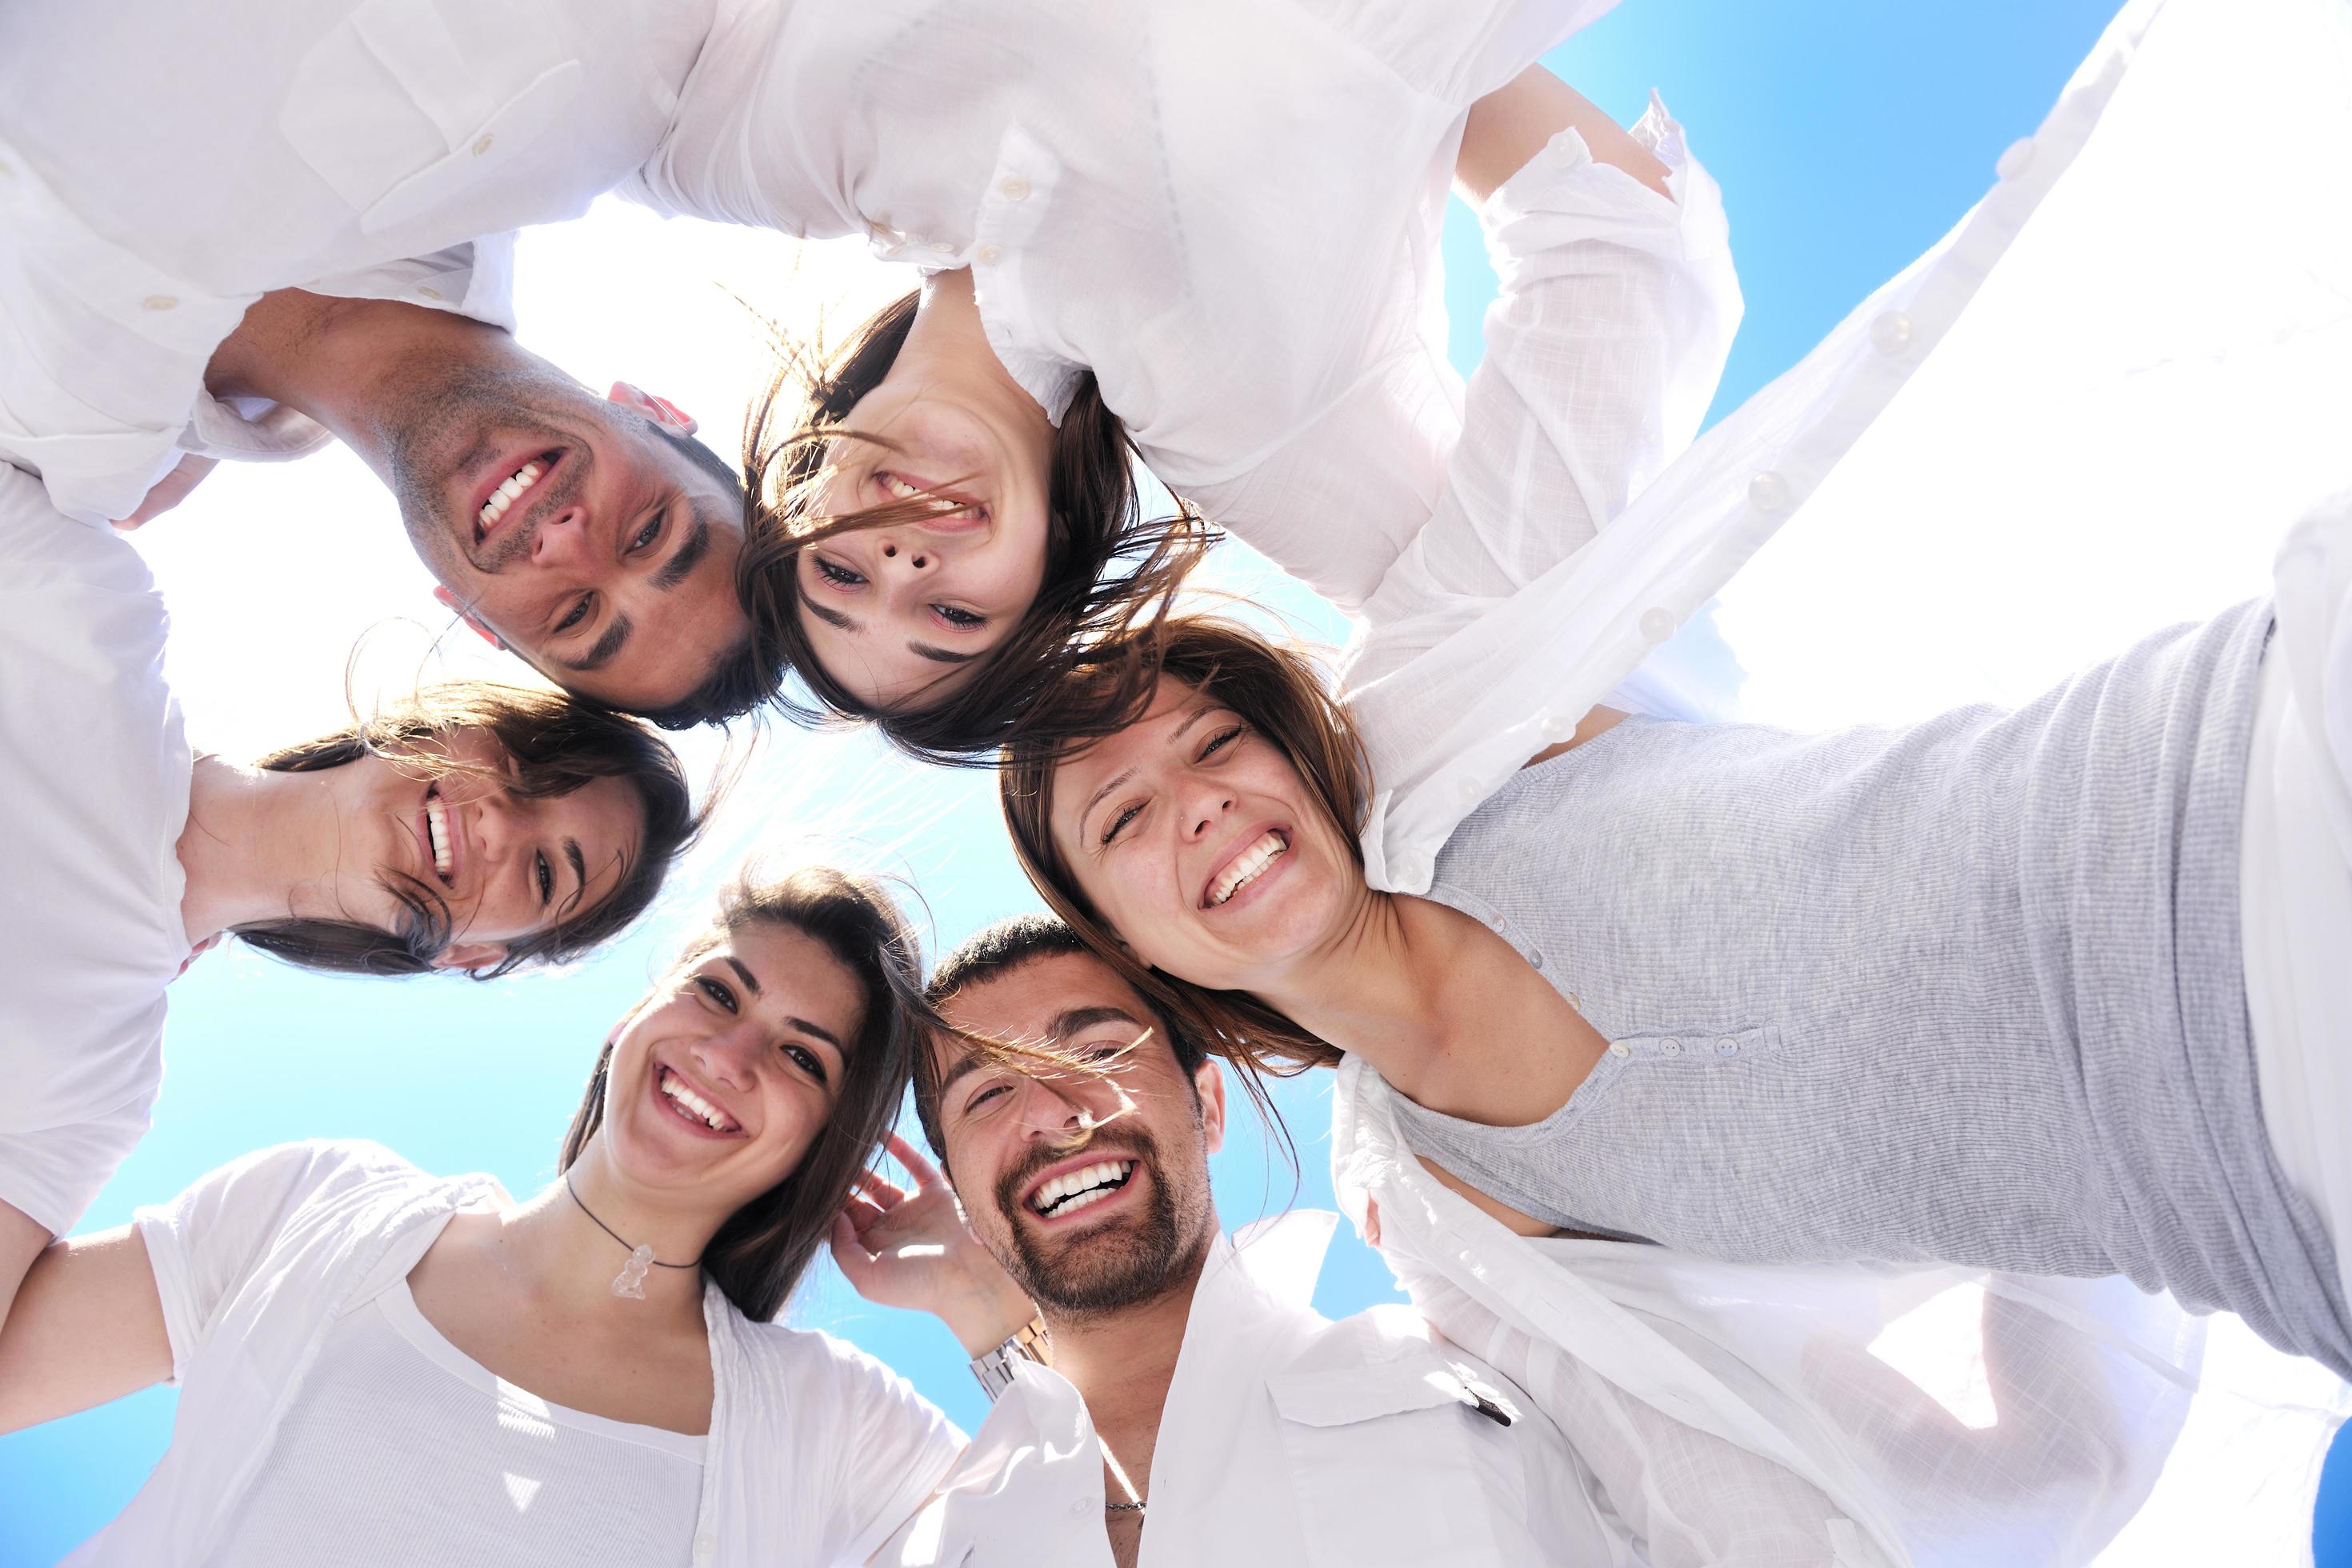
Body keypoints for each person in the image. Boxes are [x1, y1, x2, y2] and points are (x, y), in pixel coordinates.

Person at [645, 46, 1738, 754]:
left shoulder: (790, 153)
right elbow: (1630, 246)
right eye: (953, 616)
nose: (900, 568)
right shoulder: (1245, 423)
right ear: (1048, 567)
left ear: (801, 475)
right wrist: (1411, 58)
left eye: (839, 571)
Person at [850, 913, 1938, 1568]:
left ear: (1209, 1106)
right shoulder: (955, 1537)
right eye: (989, 1094)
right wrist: (985, 1318)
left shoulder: (1467, 1373)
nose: (1054, 1112)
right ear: (965, 1193)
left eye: (1096, 1049)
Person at [0, 868, 995, 1566]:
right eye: (715, 991)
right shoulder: (316, 1206)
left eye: (801, 1056)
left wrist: (983, 1305)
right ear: (630, 1020)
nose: (729, 1055)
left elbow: (1100, 1532)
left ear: (819, 1148)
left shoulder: (832, 1424)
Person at [0, 458, 700, 1342]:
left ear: (474, 955)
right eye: (523, 767)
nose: (495, 824)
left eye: (546, 872)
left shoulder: (95, 1089)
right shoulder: (87, 612)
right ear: (457, 717)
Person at [0, 0, 760, 723]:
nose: (565, 543)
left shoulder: (66, 464)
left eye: (574, 613)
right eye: (647, 532)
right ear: (652, 410)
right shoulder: (563, 85)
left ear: (473, 620)